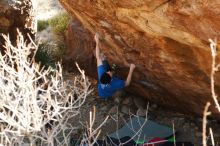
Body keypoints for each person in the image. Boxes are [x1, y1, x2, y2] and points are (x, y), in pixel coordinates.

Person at [94, 33, 136, 99]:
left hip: (100, 91)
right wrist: (131, 69)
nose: (109, 72)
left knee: (102, 59)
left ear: (103, 74)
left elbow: (98, 57)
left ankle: (113, 67)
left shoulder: (101, 74)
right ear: (111, 80)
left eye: (107, 72)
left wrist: (97, 41)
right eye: (110, 73)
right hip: (107, 94)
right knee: (119, 92)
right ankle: (113, 98)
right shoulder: (116, 84)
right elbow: (127, 83)